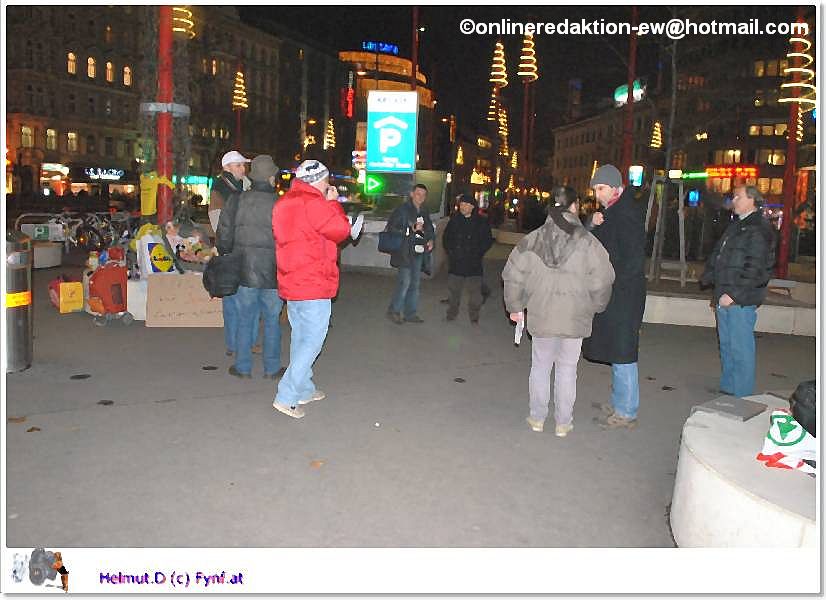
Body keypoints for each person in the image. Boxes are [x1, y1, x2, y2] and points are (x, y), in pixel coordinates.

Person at [503, 186, 615, 436]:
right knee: (567, 369)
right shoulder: (588, 242)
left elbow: (513, 275)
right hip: (575, 316)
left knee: (540, 366)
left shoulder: (533, 239)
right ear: (574, 206)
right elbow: (603, 278)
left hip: (541, 314)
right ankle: (563, 423)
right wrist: (597, 305)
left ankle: (537, 418)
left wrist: (515, 307)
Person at [271, 160, 351, 419]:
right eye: (326, 180)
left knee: (300, 338)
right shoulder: (315, 203)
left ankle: (304, 388)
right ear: (319, 180)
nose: (328, 184)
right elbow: (341, 230)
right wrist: (333, 203)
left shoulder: (283, 203)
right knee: (312, 341)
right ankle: (286, 396)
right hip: (313, 281)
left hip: (291, 279)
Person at [582, 164, 647, 430]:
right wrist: (593, 224)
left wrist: (611, 281)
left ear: (615, 187)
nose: (597, 194)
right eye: (595, 189)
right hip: (615, 291)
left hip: (623, 294)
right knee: (617, 349)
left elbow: (632, 259)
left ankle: (626, 411)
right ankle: (620, 401)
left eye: (601, 188)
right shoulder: (613, 212)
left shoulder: (625, 213)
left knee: (623, 352)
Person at [700, 185, 775, 398]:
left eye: (738, 197)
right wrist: (711, 277)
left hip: (739, 299)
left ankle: (741, 395)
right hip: (725, 293)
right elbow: (721, 254)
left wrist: (734, 295)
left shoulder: (758, 228)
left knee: (740, 348)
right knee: (727, 345)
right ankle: (729, 387)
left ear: (752, 200)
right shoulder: (738, 225)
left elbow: (754, 268)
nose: (733, 200)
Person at [215, 155, 283, 380]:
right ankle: (272, 368)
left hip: (244, 270)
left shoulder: (237, 200)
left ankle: (243, 367)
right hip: (273, 272)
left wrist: (227, 252)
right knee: (272, 320)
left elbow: (224, 234)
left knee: (245, 318)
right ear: (271, 178)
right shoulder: (280, 204)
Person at [211, 150, 253, 359]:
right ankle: (234, 343)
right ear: (226, 167)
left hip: (242, 247)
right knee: (232, 296)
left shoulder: (246, 186)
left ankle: (241, 342)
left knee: (239, 296)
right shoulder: (220, 188)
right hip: (230, 248)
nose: (242, 168)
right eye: (238, 165)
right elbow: (216, 221)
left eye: (243, 165)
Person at [386, 184, 435, 324]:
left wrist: (431, 239)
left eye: (424, 195)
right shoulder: (402, 210)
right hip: (405, 251)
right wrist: (410, 229)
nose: (421, 197)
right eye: (418, 194)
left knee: (415, 283)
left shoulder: (424, 211)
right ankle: (394, 311)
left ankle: (410, 313)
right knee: (405, 282)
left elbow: (429, 228)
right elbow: (392, 228)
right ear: (412, 194)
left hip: (419, 250)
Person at [443, 193, 494, 324]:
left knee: (475, 294)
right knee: (454, 291)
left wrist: (478, 252)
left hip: (473, 264)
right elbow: (446, 238)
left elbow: (487, 240)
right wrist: (451, 253)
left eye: (466, 204)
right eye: (461, 204)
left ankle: (474, 315)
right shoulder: (454, 220)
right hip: (457, 262)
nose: (463, 207)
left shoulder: (481, 222)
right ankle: (452, 312)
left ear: (472, 206)